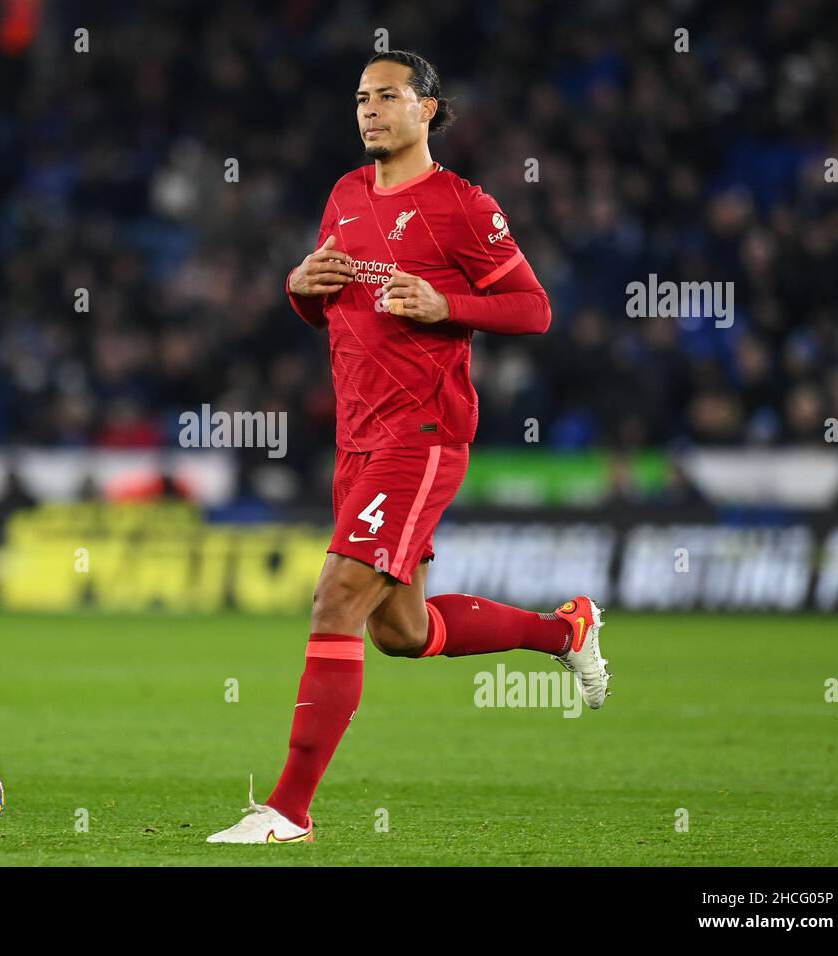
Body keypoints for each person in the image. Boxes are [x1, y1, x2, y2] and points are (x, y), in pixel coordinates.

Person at [208, 51, 611, 845]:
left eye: (387, 97)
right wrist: (299, 285)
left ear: (428, 108)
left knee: (335, 598)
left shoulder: (462, 206)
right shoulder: (345, 194)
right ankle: (567, 631)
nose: (369, 111)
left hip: (420, 436)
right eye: (361, 98)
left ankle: (288, 812)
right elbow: (325, 309)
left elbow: (533, 309)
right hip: (356, 440)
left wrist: (443, 302)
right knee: (402, 631)